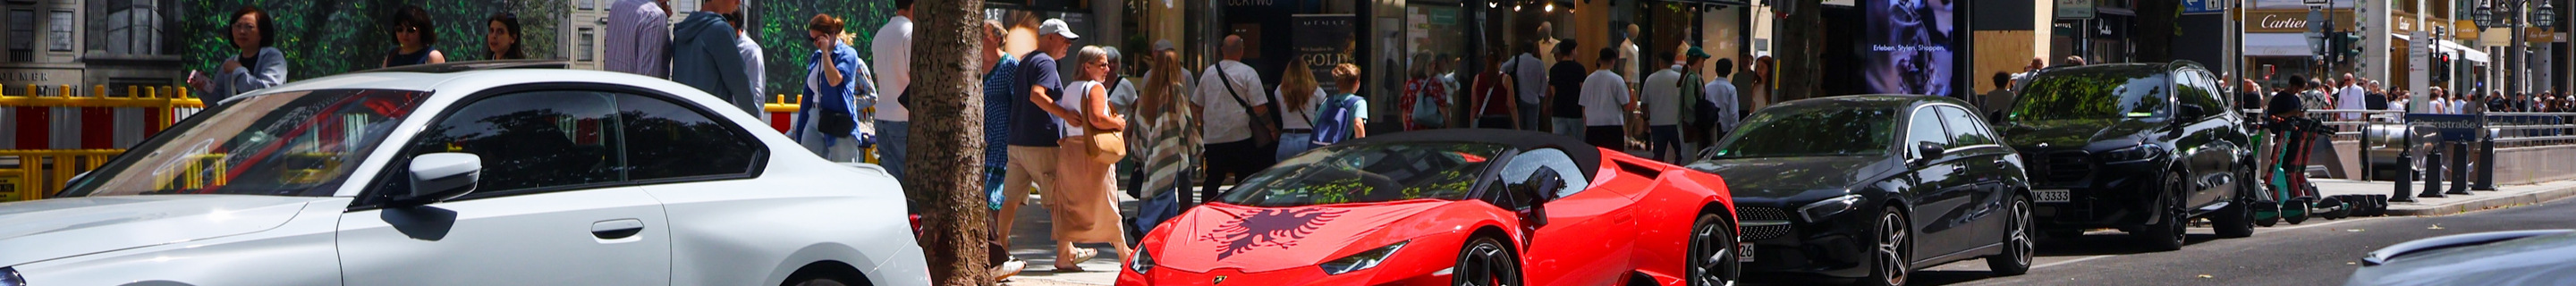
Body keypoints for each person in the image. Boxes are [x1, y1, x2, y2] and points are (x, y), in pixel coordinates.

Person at [1030, 46, 1131, 272]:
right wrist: (1118, 123)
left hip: (1071, 151)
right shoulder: (1096, 88)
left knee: (1069, 205)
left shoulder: (1071, 88)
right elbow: (1097, 119)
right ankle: (1124, 252)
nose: (1108, 68)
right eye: (1102, 64)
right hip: (1092, 153)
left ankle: (1063, 255)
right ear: (1087, 66)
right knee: (1107, 202)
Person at [1000, 19, 1072, 271]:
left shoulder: (1027, 60)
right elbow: (1037, 95)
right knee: (1058, 200)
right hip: (1041, 142)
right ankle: (1064, 255)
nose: (1068, 45)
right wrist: (1065, 115)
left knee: (1011, 199)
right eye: (1064, 39)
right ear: (1050, 37)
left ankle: (1001, 251)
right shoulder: (1047, 62)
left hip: (1017, 140)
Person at [1124, 49, 1202, 256]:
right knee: (1165, 192)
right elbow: (1184, 119)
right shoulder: (1176, 88)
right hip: (1170, 148)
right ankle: (1143, 226)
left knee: (1163, 192)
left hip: (1151, 148)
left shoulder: (1148, 88)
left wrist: (1138, 149)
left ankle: (1164, 236)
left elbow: (1139, 121)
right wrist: (1196, 145)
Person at [1192, 35, 1274, 206]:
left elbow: (1196, 105)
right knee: (1243, 180)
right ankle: (1239, 210)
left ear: (1222, 51)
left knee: (1213, 178)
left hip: (1213, 138)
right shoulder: (1248, 73)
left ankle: (1206, 210)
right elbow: (1259, 107)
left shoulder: (1209, 73)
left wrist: (1200, 129)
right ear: (1241, 51)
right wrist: (1272, 128)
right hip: (1240, 136)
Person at [787, 14, 870, 164]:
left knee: (844, 168)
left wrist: (826, 53)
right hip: (814, 115)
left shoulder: (848, 54)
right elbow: (809, 91)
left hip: (837, 118)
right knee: (807, 164)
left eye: (819, 39)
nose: (816, 43)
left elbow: (834, 80)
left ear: (832, 34)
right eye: (812, 39)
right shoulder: (816, 57)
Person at [670, 0, 756, 115]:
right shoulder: (721, 30)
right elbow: (739, 83)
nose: (738, 2)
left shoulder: (683, 29)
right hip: (711, 122)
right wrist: (754, 114)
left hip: (683, 120)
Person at [188, 6, 287, 105]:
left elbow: (266, 93)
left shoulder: (273, 57)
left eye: (249, 26)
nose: (242, 31)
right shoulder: (230, 63)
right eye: (238, 26)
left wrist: (238, 71)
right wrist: (203, 88)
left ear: (262, 32)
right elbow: (219, 103)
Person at [871, 0, 917, 180]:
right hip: (903, 117)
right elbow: (916, 77)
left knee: (892, 182)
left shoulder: (880, 35)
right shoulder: (910, 33)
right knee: (909, 182)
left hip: (882, 116)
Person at [1580, 47, 1638, 149]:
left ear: (1600, 60)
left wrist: (1586, 124)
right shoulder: (1617, 80)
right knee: (1614, 159)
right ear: (1613, 61)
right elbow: (1625, 103)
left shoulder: (1588, 80)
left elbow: (1583, 105)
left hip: (1593, 125)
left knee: (1595, 159)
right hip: (1613, 126)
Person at [1273, 60, 1327, 160]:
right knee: (1307, 174)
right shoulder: (1314, 89)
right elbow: (1327, 106)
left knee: (1284, 174)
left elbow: (1280, 112)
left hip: (1286, 138)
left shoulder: (1280, 90)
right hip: (1307, 138)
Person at [1640, 53, 1686, 163]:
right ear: (1672, 63)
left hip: (1657, 122)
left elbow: (1644, 103)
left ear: (1660, 62)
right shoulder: (1679, 78)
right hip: (1675, 122)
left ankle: (1658, 174)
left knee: (1658, 154)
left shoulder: (1651, 79)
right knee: (1679, 153)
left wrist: (1646, 119)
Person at [606, 0, 670, 78]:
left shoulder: (617, 6)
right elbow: (648, 80)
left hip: (611, 86)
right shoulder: (654, 16)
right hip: (634, 88)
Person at [1469, 47, 1519, 130]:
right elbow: (1511, 105)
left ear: (1486, 60)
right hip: (1501, 121)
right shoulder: (1506, 79)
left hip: (1483, 121)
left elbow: (1474, 106)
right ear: (1500, 61)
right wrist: (1517, 126)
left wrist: (1471, 126)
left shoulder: (1477, 78)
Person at [382, 5, 446, 68]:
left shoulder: (432, 56)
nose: (404, 34)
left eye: (410, 30)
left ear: (422, 31)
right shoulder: (392, 55)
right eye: (400, 29)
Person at [1547, 42, 1588, 138]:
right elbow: (1583, 90)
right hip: (1575, 111)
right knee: (1578, 143)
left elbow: (1554, 91)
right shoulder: (1579, 69)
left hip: (1559, 110)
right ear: (1572, 51)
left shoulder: (1554, 69)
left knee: (1559, 142)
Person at [1402, 52, 1449, 130]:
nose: (1435, 65)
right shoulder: (1434, 82)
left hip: (1412, 126)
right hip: (1429, 125)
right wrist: (1448, 125)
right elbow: (1442, 106)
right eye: (1433, 63)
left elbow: (1405, 108)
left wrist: (1406, 126)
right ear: (1427, 65)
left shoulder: (1409, 84)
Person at [1508, 42, 1549, 130]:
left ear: (1522, 49)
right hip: (1534, 99)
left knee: (1519, 126)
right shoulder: (1539, 63)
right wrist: (1541, 94)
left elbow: (1503, 68)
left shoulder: (1516, 59)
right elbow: (1544, 81)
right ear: (1533, 50)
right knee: (1533, 126)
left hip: (1519, 98)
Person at [725, 13, 767, 102]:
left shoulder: (751, 51)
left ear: (731, 24)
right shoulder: (719, 46)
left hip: (738, 113)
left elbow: (757, 90)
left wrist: (755, 113)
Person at [1330, 63, 1373, 140]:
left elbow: (1316, 122)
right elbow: (1358, 124)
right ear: (1357, 83)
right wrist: (1360, 146)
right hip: (1346, 147)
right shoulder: (1359, 102)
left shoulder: (1329, 101)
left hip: (1329, 147)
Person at [1703, 57, 1740, 146]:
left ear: (1716, 70)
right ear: (1730, 71)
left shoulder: (1707, 87)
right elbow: (1733, 113)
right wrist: (1734, 130)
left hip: (1709, 127)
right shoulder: (1731, 89)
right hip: (1725, 129)